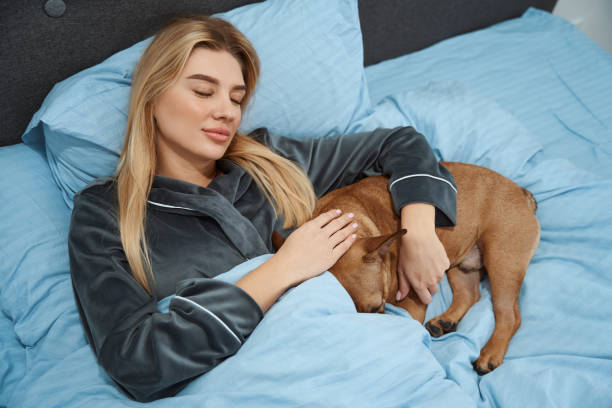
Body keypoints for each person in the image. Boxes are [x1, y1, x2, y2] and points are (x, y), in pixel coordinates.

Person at [67, 15, 457, 402]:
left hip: (366, 366)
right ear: (152, 96)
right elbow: (136, 361)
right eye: (204, 92)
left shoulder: (268, 161)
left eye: (237, 98)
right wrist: (284, 267)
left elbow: (401, 144)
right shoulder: (105, 213)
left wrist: (419, 232)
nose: (227, 112)